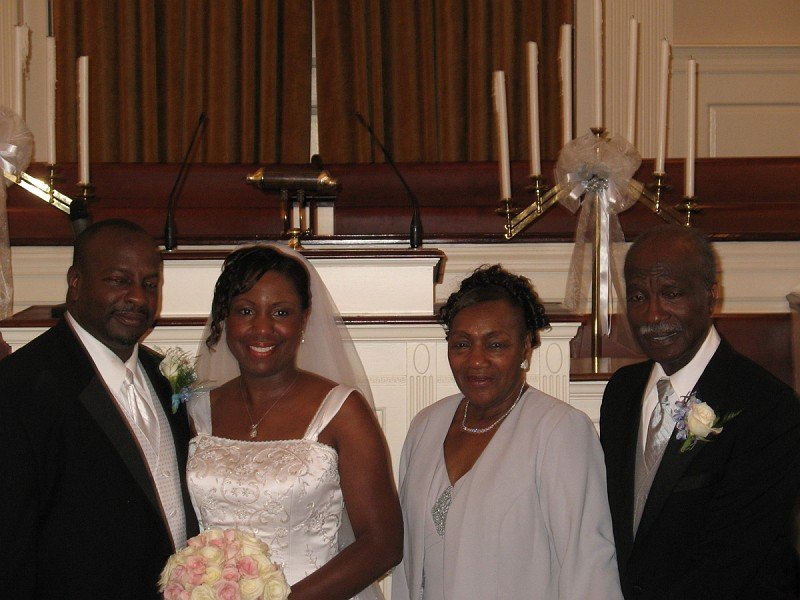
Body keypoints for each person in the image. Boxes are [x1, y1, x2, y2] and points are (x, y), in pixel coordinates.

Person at [392, 264, 622, 599]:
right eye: (461, 344)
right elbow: (407, 568)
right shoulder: (425, 426)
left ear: (525, 348)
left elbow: (587, 565)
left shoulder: (559, 430)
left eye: (496, 345)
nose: (476, 360)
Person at [188, 244, 402, 600]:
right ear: (225, 319)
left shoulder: (342, 412)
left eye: (281, 312)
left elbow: (383, 544)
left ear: (304, 320)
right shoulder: (197, 411)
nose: (262, 328)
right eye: (246, 311)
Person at [0, 219, 199, 598]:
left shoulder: (165, 377)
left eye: (150, 284)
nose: (138, 298)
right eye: (119, 280)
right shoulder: (18, 388)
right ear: (75, 282)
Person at [601, 224, 800, 599]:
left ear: (711, 298)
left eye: (671, 294)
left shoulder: (767, 407)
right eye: (638, 296)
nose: (652, 314)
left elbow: (735, 559)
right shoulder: (621, 393)